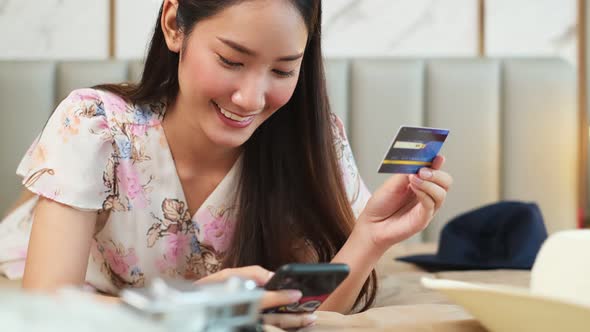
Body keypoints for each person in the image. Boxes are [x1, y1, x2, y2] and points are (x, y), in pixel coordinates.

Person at [0, 0, 452, 329]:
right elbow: (49, 305)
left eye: (281, 71)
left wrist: (370, 235)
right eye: (231, 60)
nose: (251, 99)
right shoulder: (93, 122)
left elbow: (303, 313)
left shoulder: (311, 138)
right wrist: (199, 307)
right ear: (175, 24)